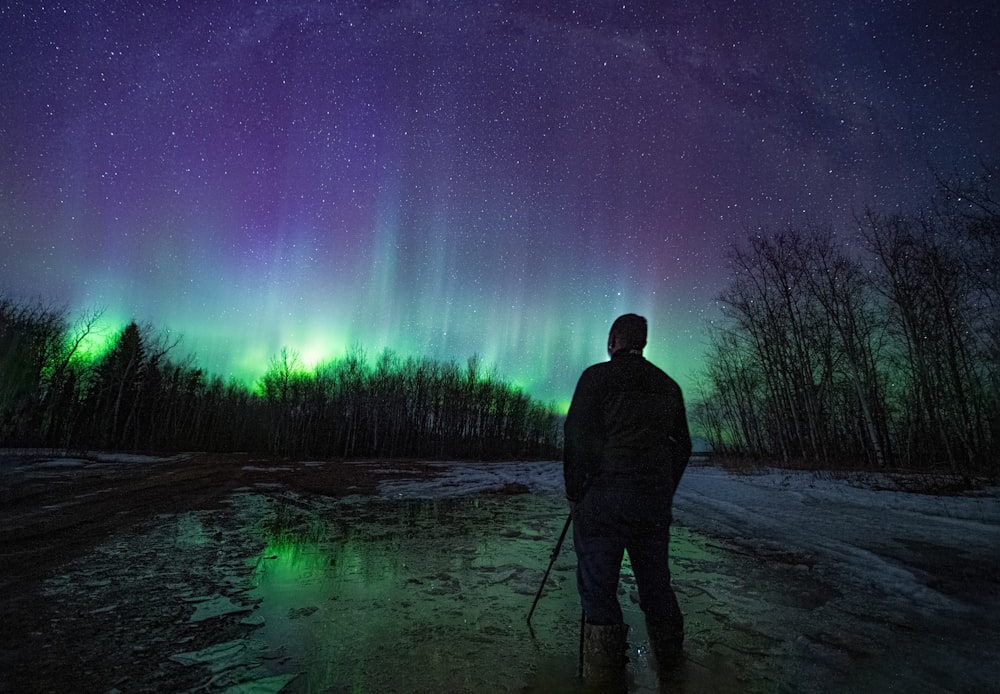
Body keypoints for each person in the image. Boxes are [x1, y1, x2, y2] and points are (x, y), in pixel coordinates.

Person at [563, 313, 691, 688]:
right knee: (656, 587)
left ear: (614, 340)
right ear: (644, 341)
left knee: (598, 590)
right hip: (651, 507)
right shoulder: (668, 386)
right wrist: (664, 489)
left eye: (610, 338)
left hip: (602, 505)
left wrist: (575, 492)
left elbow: (576, 438)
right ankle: (673, 668)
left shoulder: (596, 378)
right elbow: (681, 447)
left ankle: (604, 678)